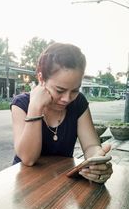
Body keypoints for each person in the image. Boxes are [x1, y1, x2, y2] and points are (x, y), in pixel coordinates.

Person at [11, 42, 113, 184]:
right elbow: (28, 159)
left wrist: (97, 162)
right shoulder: (21, 104)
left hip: (61, 181)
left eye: (75, 90)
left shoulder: (78, 103)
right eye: (59, 90)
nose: (66, 99)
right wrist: (35, 106)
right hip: (26, 184)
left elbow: (90, 146)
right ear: (41, 79)